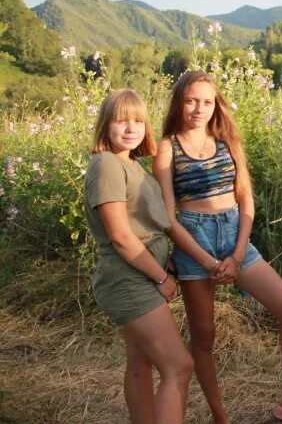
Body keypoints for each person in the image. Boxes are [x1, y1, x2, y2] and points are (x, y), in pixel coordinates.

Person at [153, 71, 282, 424]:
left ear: (216, 105)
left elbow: (246, 200)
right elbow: (169, 218)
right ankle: (220, 416)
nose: (199, 108)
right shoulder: (168, 147)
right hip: (193, 242)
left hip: (235, 237)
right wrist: (209, 262)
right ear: (179, 103)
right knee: (204, 337)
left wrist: (235, 254)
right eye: (191, 100)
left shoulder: (227, 139)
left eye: (206, 101)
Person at [84, 89, 194, 424]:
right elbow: (120, 235)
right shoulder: (106, 165)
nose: (130, 128)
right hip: (128, 279)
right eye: (121, 120)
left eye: (137, 120)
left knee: (140, 362)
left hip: (140, 274)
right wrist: (161, 278)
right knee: (179, 366)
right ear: (106, 125)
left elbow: (147, 226)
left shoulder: (131, 164)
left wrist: (168, 262)